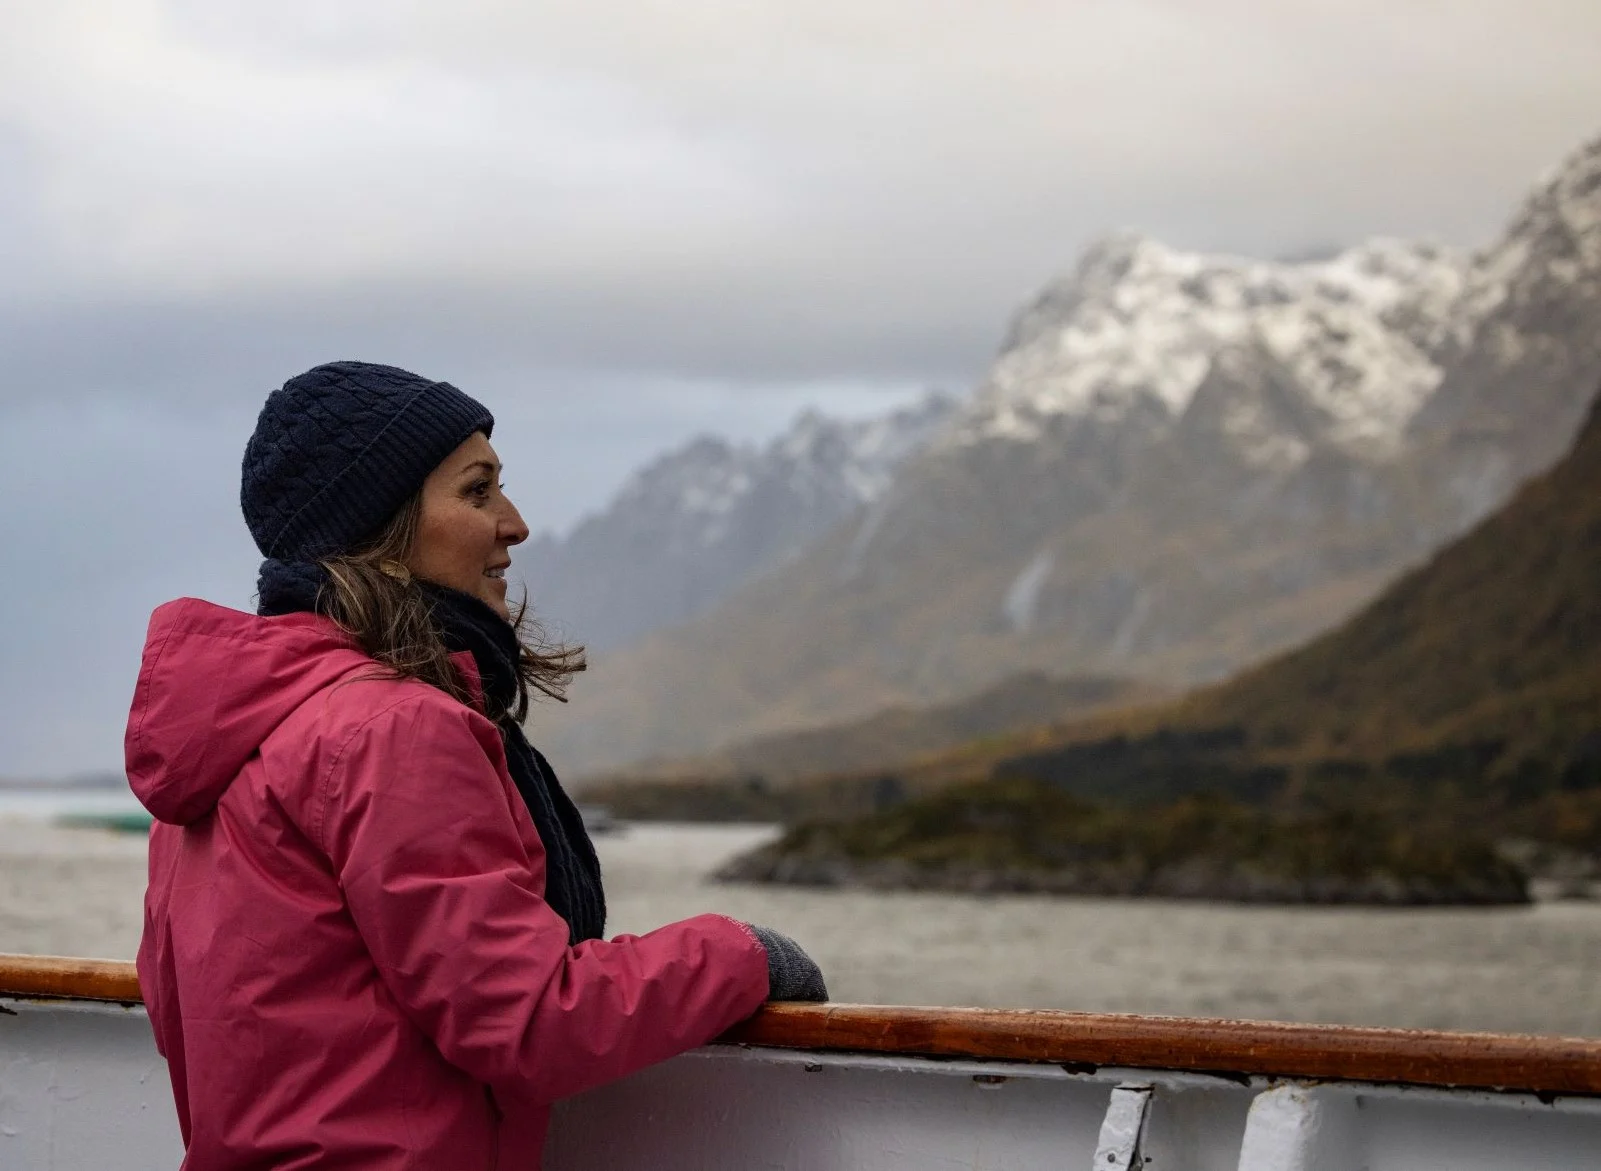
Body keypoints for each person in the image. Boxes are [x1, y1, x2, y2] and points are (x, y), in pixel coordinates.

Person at [129, 360, 827, 1170]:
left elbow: (192, 1017)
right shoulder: (393, 727)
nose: (515, 523)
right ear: (382, 529)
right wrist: (741, 953)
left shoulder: (229, 740)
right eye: (477, 490)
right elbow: (526, 1020)